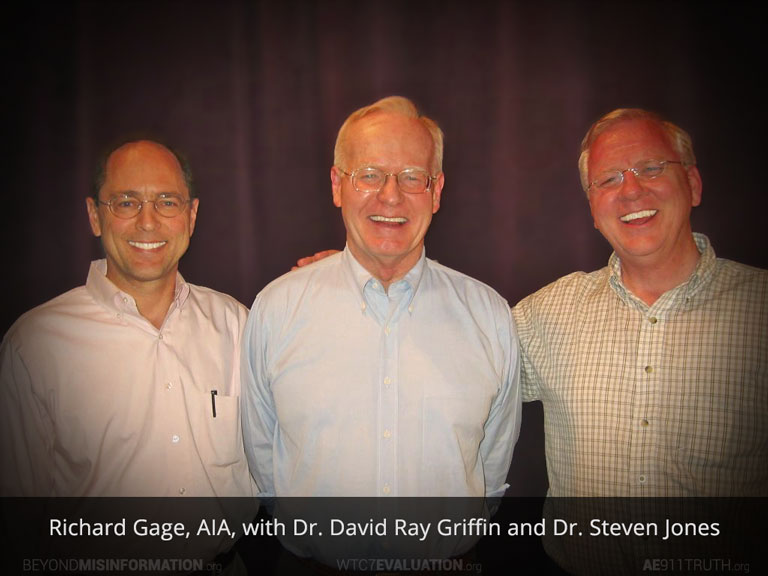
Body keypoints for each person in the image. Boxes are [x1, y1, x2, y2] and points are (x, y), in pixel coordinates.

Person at [241, 96, 521, 501]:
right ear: (337, 185)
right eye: (369, 175)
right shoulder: (276, 311)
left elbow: (490, 474)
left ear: (436, 191)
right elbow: (266, 469)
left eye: (412, 177)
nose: (390, 196)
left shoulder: (489, 318)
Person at [512, 108, 768, 499]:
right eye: (609, 179)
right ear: (593, 210)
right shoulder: (545, 314)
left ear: (693, 184)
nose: (631, 190)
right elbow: (460, 378)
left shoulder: (759, 310)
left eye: (650, 168)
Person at [0, 139, 257, 502]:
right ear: (94, 216)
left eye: (167, 202)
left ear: (191, 216)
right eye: (126, 203)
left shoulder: (236, 324)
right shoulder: (34, 345)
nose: (147, 222)